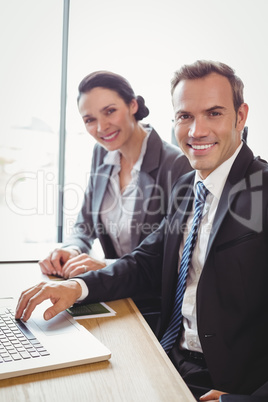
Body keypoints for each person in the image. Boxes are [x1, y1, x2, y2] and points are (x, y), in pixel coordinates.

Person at [15, 61, 268, 402]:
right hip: (169, 353)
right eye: (185, 116)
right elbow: (146, 261)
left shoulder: (260, 190)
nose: (196, 131)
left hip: (228, 383)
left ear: (240, 117)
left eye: (213, 113)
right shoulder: (186, 187)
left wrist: (246, 398)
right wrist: (77, 287)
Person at [38, 70, 192, 329]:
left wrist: (107, 266)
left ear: (133, 105)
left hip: (151, 307)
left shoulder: (177, 164)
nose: (101, 128)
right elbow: (85, 223)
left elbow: (174, 259)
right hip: (113, 295)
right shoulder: (102, 153)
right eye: (89, 119)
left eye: (109, 111)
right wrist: (72, 248)